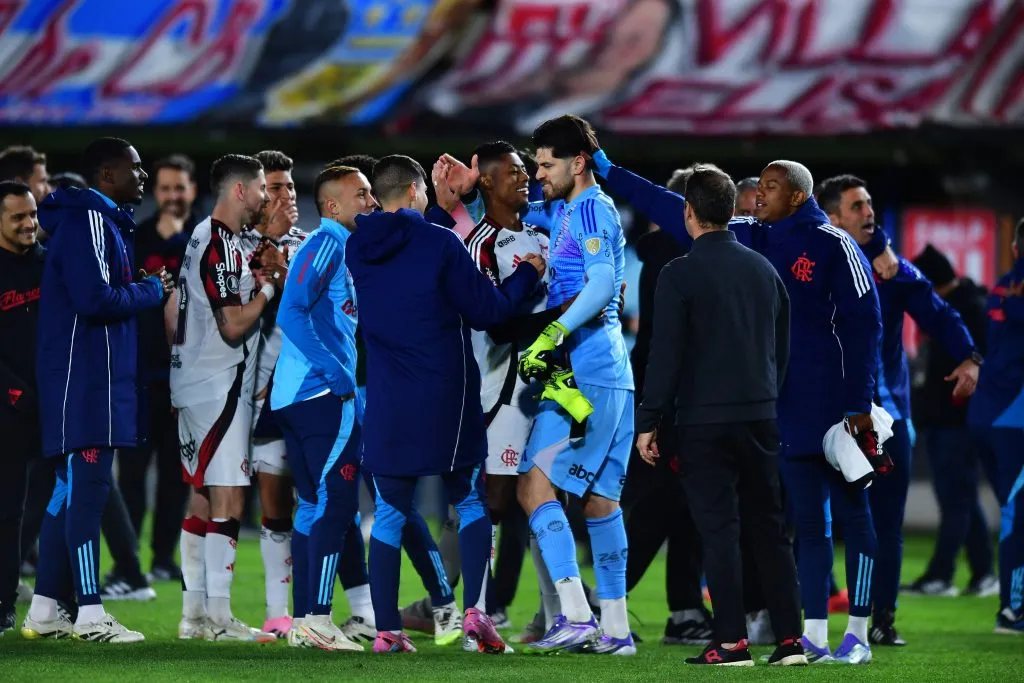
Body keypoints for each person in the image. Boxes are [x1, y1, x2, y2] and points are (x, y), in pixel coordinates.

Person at [589, 150, 883, 664]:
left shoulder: (833, 244)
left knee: (852, 519)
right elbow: (669, 205)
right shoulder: (753, 238)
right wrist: (610, 172)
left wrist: (859, 402)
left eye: (770, 186)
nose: (759, 194)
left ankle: (858, 631)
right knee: (801, 526)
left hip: (834, 411)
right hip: (775, 410)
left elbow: (866, 327)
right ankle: (808, 635)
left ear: (796, 195)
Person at [347, 154, 543, 654]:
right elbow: (487, 311)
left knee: (390, 514)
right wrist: (526, 274)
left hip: (389, 402)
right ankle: (476, 619)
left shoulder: (359, 247)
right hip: (446, 397)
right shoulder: (441, 242)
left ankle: (387, 632)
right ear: (416, 191)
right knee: (472, 501)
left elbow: (407, 251)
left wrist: (439, 205)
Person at [634, 166, 804, 666]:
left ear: (688, 213)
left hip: (704, 422)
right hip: (760, 415)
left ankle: (731, 642)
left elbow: (666, 355)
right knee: (769, 530)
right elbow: (782, 347)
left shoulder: (678, 273)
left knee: (720, 531)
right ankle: (791, 641)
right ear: (733, 210)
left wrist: (650, 421)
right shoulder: (762, 269)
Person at [492, 115, 637, 655]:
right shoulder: (571, 210)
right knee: (601, 502)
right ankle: (617, 630)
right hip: (612, 374)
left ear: (577, 164)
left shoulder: (593, 207)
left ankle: (576, 616)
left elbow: (601, 283)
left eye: (546, 164)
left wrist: (552, 331)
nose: (538, 173)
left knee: (532, 487)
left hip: (587, 372)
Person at [817, 174, 981, 646]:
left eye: (870, 204)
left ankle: (880, 618)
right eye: (858, 207)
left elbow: (940, 312)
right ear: (832, 219)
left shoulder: (893, 272)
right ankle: (798, 617)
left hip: (885, 420)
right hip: (823, 417)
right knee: (811, 520)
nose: (869, 212)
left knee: (884, 524)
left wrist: (970, 356)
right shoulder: (809, 266)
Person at [24, 137, 172, 643]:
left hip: (84, 378)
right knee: (87, 492)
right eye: (135, 167)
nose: (143, 175)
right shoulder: (90, 219)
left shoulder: (95, 221)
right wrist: (152, 290)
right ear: (107, 174)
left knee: (68, 494)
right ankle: (90, 611)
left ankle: (44, 608)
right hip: (88, 380)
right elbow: (95, 298)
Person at [169, 154, 278, 642]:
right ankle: (219, 617)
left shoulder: (205, 238)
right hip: (219, 387)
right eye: (260, 189)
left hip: (195, 383)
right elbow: (232, 325)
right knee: (230, 496)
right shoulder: (218, 243)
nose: (264, 197)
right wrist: (269, 290)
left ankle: (194, 615)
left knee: (201, 493)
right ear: (239, 191)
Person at [621, 166, 710, 647]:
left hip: (658, 392)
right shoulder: (680, 259)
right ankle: (608, 599)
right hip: (675, 399)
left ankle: (684, 609)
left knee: (678, 505)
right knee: (665, 504)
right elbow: (670, 342)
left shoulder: (660, 257)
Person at [118, 154, 200, 584]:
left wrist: (177, 245)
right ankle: (127, 562)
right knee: (130, 474)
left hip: (187, 379)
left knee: (176, 474)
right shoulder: (136, 238)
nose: (172, 196)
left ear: (193, 190)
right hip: (139, 376)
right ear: (155, 192)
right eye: (165, 188)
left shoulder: (206, 239)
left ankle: (164, 558)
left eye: (179, 188)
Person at [906, 245, 997, 597]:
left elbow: (973, 368)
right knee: (963, 499)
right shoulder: (962, 306)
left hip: (958, 422)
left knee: (955, 500)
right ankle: (984, 573)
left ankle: (941, 576)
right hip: (948, 420)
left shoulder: (967, 311)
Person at [247, 149, 305, 638]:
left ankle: (355, 608)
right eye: (275, 187)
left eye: (288, 186)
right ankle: (275, 611)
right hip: (258, 396)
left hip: (313, 392)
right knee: (273, 506)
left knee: (329, 502)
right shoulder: (238, 248)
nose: (285, 195)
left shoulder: (315, 244)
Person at [966, 218, 1024, 635]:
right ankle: (1013, 609)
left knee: (1013, 509)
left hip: (986, 413)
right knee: (1017, 512)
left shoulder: (1002, 286)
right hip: (1013, 416)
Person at [0, 181, 44, 634]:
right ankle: (4, 602)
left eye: (32, 214)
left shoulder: (49, 264)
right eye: (18, 217)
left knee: (63, 503)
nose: (30, 223)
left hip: (52, 403)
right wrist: (15, 393)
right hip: (7, 408)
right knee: (7, 510)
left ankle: (60, 600)